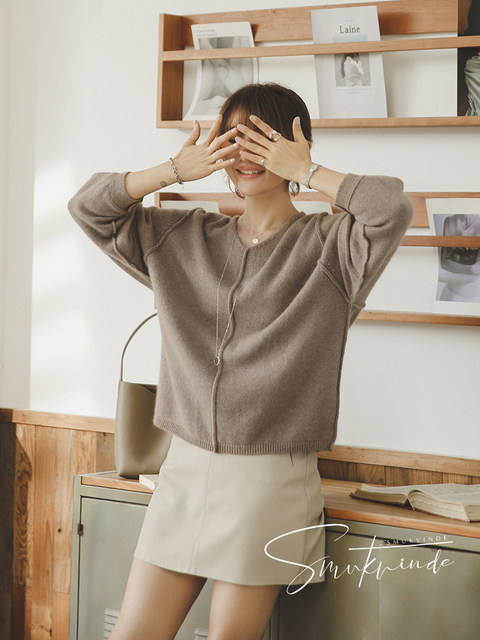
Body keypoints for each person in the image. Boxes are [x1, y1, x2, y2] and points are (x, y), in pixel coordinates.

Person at [68, 82, 413, 640]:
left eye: (264, 138)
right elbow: (87, 206)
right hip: (182, 472)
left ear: (296, 144)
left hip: (268, 482)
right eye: (234, 138)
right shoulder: (182, 237)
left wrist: (308, 170)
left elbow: (391, 207)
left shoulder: (332, 250)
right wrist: (173, 170)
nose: (247, 153)